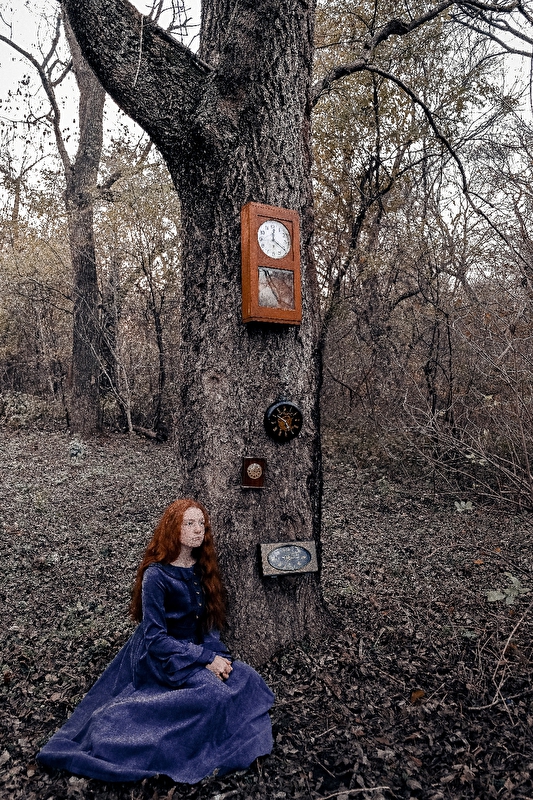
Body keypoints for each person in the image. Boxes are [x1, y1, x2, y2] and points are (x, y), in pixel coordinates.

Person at [37, 499, 274, 783]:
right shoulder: (157, 575)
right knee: (215, 695)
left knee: (247, 678)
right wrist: (205, 660)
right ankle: (165, 744)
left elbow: (208, 623)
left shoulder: (202, 568)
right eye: (189, 523)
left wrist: (215, 655)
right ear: (173, 529)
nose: (198, 529)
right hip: (164, 655)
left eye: (201, 523)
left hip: (197, 649)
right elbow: (155, 638)